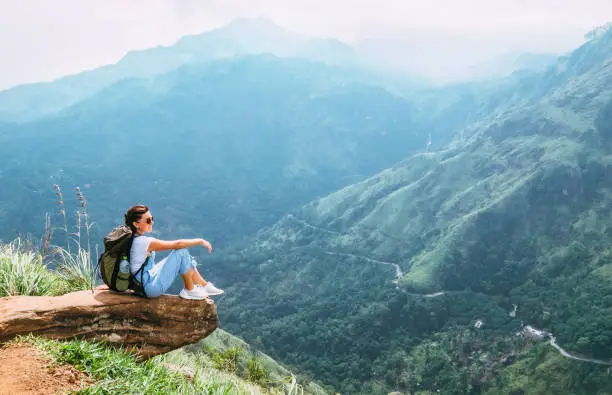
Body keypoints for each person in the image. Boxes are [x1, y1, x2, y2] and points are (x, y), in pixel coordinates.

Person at [124, 204, 224, 300]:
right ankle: (189, 290)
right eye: (148, 220)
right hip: (148, 287)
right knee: (181, 252)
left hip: (142, 282)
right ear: (136, 224)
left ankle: (204, 285)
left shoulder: (131, 238)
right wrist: (200, 241)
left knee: (183, 255)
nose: (152, 222)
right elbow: (177, 244)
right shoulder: (142, 242)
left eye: (152, 219)